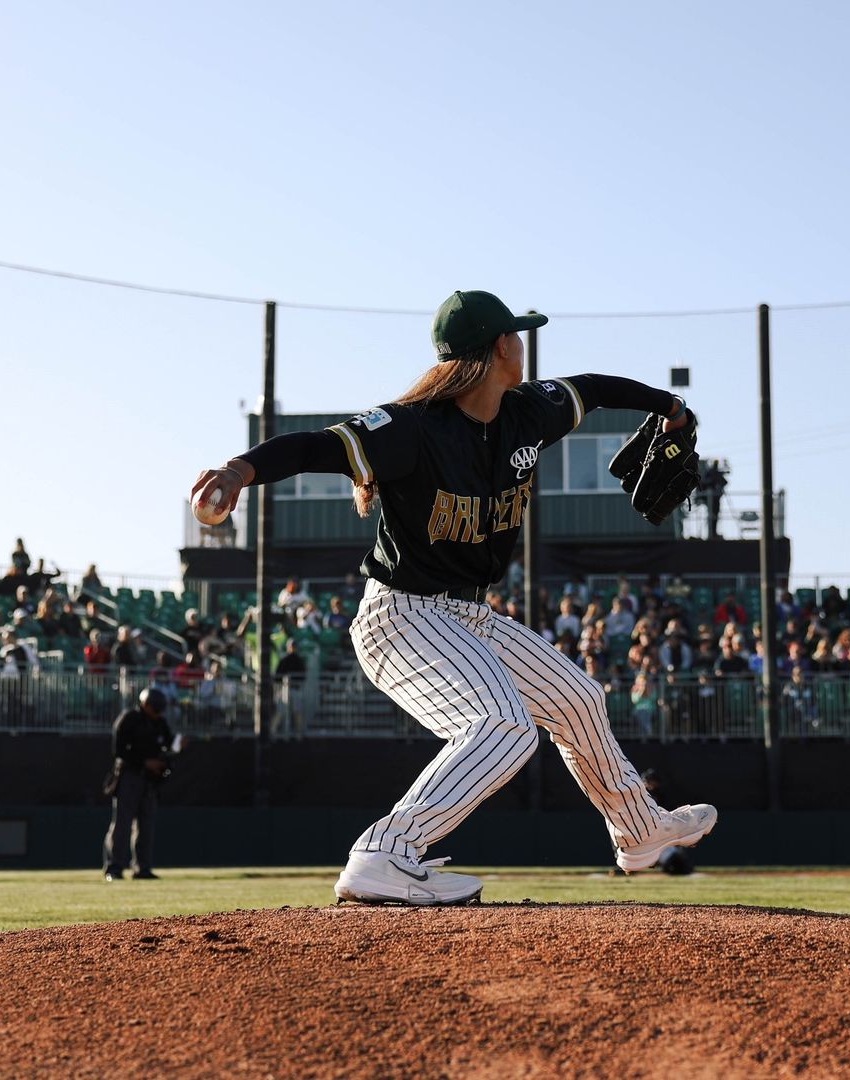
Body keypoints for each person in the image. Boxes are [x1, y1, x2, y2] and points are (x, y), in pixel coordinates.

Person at [187, 289, 716, 905]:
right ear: (498, 349)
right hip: (400, 614)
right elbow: (315, 446)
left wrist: (669, 406)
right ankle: (387, 850)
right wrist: (238, 470)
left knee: (577, 697)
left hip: (467, 614)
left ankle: (641, 829)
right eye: (515, 335)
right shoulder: (412, 428)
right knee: (502, 727)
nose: (523, 343)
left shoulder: (528, 412)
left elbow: (595, 388)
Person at [103, 690, 174, 881]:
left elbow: (168, 746)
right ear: (145, 704)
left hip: (150, 780)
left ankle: (142, 868)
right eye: (155, 708)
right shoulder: (129, 719)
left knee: (146, 825)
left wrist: (171, 754)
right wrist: (144, 762)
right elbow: (119, 750)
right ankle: (114, 868)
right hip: (129, 776)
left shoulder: (160, 723)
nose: (158, 713)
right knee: (122, 824)